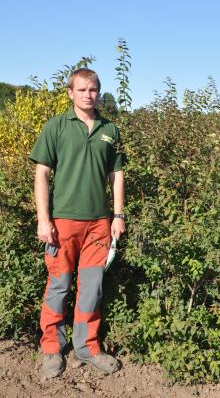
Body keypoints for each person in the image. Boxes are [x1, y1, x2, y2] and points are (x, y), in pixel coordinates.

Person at [29, 68, 125, 379]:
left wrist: (118, 215)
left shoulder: (110, 130)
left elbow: (117, 176)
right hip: (62, 223)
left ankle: (87, 347)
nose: (88, 95)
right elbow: (41, 173)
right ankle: (52, 348)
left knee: (92, 288)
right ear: (71, 92)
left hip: (98, 223)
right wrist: (44, 219)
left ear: (99, 92)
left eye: (93, 89)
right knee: (59, 285)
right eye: (82, 90)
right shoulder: (56, 127)